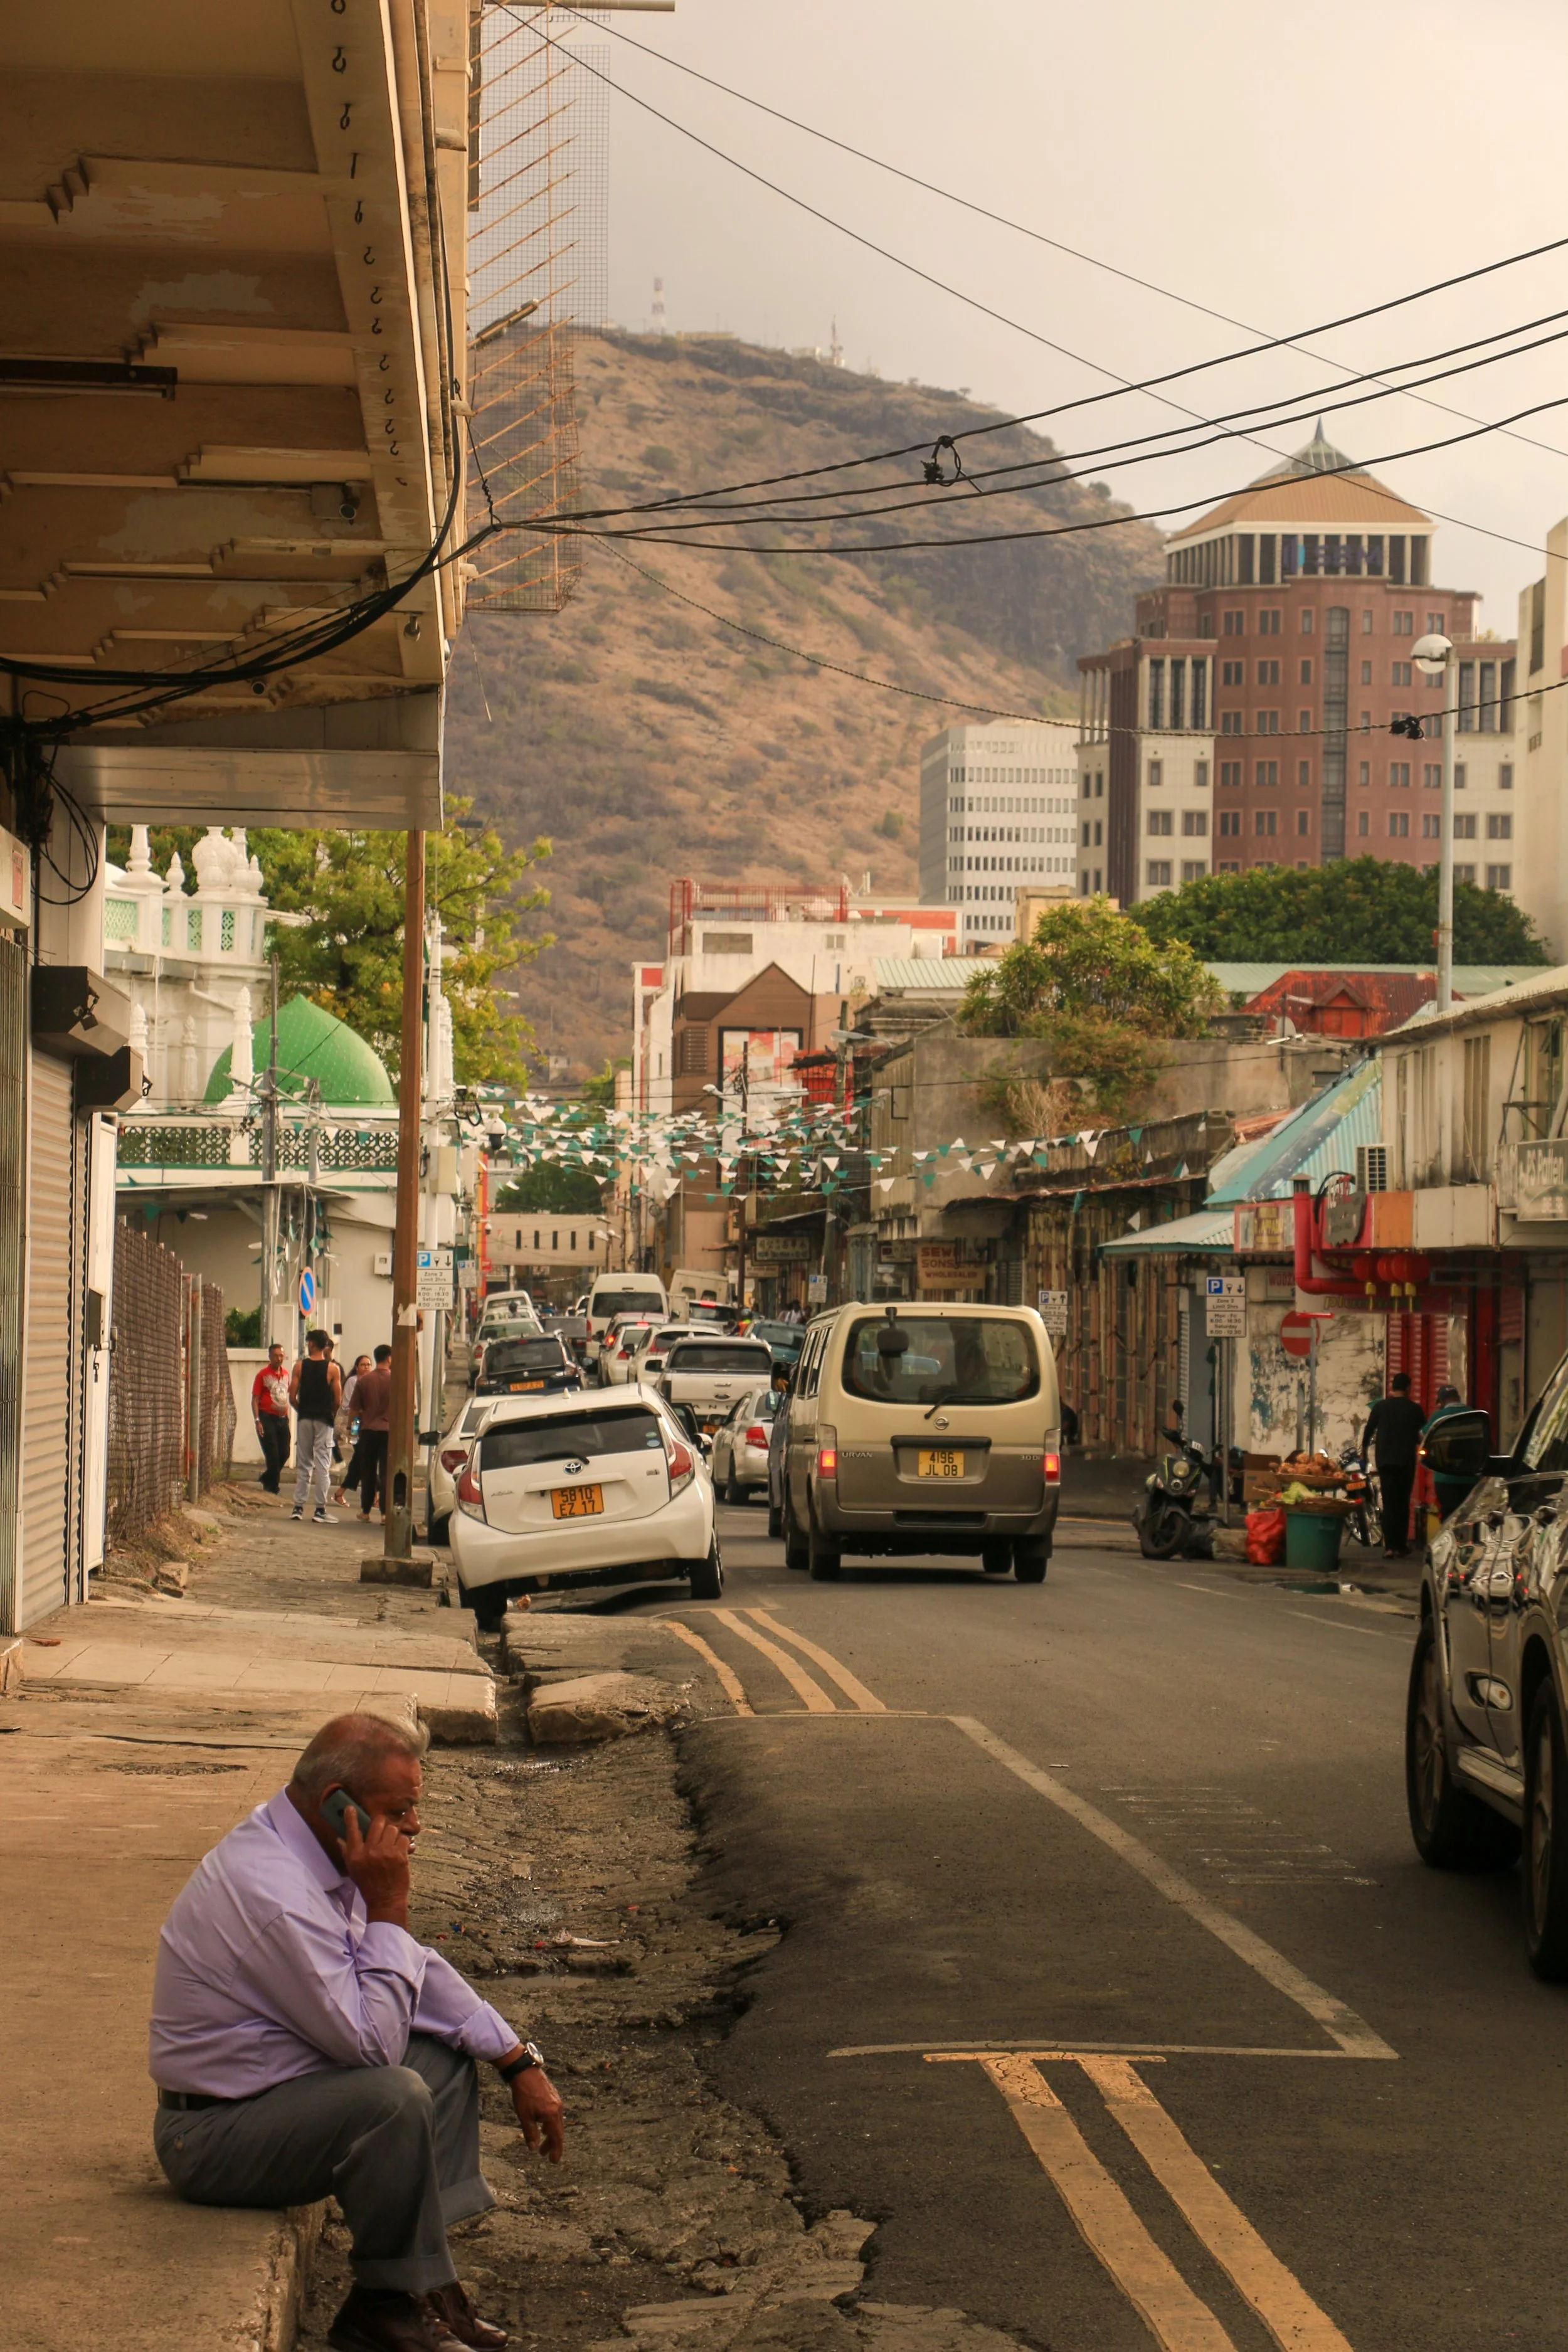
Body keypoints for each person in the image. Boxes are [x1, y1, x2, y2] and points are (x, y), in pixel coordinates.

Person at [149, 1711, 564, 2352]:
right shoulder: (275, 1893)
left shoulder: (312, 1850)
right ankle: (382, 2304)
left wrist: (515, 2059)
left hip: (277, 2100)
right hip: (210, 2139)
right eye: (398, 1810)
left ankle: (425, 2283)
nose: (414, 1827)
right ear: (334, 1803)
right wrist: (389, 1906)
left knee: (443, 2063)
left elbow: (413, 1973)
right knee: (393, 2095)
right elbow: (369, 2044)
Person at [1362, 1372, 1427, 1557]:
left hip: (1385, 1462)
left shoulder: (1381, 1407)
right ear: (1408, 1388)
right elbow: (1423, 1435)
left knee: (1389, 1503)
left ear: (1392, 1388)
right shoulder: (1414, 1409)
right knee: (1402, 1503)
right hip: (1405, 1463)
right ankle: (1401, 1545)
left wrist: (1364, 1453)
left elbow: (1368, 1431)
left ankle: (1389, 1547)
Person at [290, 1330, 343, 1524]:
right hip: (324, 1420)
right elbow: (338, 1399)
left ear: (311, 1344)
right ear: (326, 1346)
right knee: (322, 1464)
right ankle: (320, 1510)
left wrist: (302, 1410)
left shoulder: (299, 1367)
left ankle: (298, 1507)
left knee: (304, 1463)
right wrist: (330, 1413)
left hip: (304, 1418)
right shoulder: (333, 1369)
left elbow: (292, 1396)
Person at [1422, 1383, 1480, 1523]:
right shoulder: (1473, 1414)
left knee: (1448, 1517)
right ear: (1458, 1398)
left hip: (1445, 1478)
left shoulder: (1439, 1415)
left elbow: (1423, 1437)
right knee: (1467, 1517)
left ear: (1442, 1402)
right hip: (1470, 1478)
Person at [352, 1343, 394, 1523]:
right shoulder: (396, 1380)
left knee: (368, 1472)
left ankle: (366, 1511)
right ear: (389, 1358)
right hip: (388, 1431)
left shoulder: (364, 1380)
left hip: (368, 1430)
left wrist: (353, 1431)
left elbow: (355, 1409)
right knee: (386, 1472)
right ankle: (385, 1514)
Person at [252, 1341, 292, 1496]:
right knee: (273, 1453)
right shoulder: (263, 1375)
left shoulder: (287, 1374)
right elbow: (255, 1399)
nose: (279, 1359)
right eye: (276, 1356)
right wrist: (257, 1420)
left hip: (282, 1418)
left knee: (285, 1453)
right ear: (270, 1357)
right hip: (267, 1417)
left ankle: (267, 1477)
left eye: (281, 1355)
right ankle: (272, 1487)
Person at [336, 1353, 373, 1505]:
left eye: (369, 1364)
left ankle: (341, 1491)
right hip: (357, 1424)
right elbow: (352, 1407)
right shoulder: (353, 1381)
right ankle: (375, 1496)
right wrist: (353, 1430)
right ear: (357, 1368)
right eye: (363, 1364)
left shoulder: (371, 1382)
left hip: (368, 1426)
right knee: (363, 1459)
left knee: (361, 1461)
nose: (366, 1367)